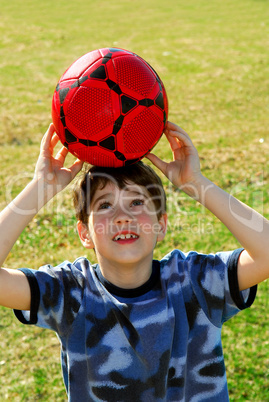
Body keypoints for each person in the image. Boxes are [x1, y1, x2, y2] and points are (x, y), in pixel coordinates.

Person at [0, 121, 268, 401]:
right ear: (85, 233)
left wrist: (197, 184)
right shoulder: (71, 293)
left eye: (137, 202)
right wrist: (40, 187)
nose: (122, 216)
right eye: (105, 205)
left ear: (161, 225)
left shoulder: (193, 283)